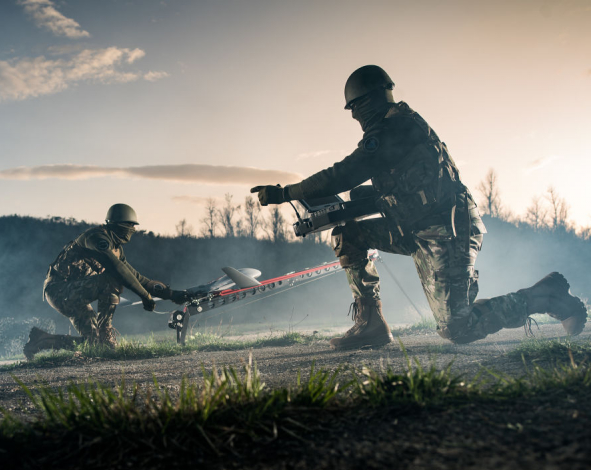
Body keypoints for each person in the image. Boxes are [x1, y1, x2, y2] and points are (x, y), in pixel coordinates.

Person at [251, 65, 587, 350]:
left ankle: (546, 296)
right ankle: (371, 324)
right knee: (349, 233)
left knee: (458, 328)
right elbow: (400, 191)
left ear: (364, 103)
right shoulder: (398, 128)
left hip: (447, 231)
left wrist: (285, 193)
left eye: (353, 109)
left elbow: (343, 173)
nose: (354, 117)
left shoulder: (394, 130)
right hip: (414, 228)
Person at [23, 203, 188, 359]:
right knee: (113, 279)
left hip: (74, 293)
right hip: (60, 291)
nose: (133, 230)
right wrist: (145, 296)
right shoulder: (96, 237)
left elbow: (137, 277)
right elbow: (118, 269)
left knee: (95, 346)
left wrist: (171, 294)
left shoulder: (116, 248)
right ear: (121, 224)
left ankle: (42, 341)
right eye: (131, 225)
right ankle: (106, 333)